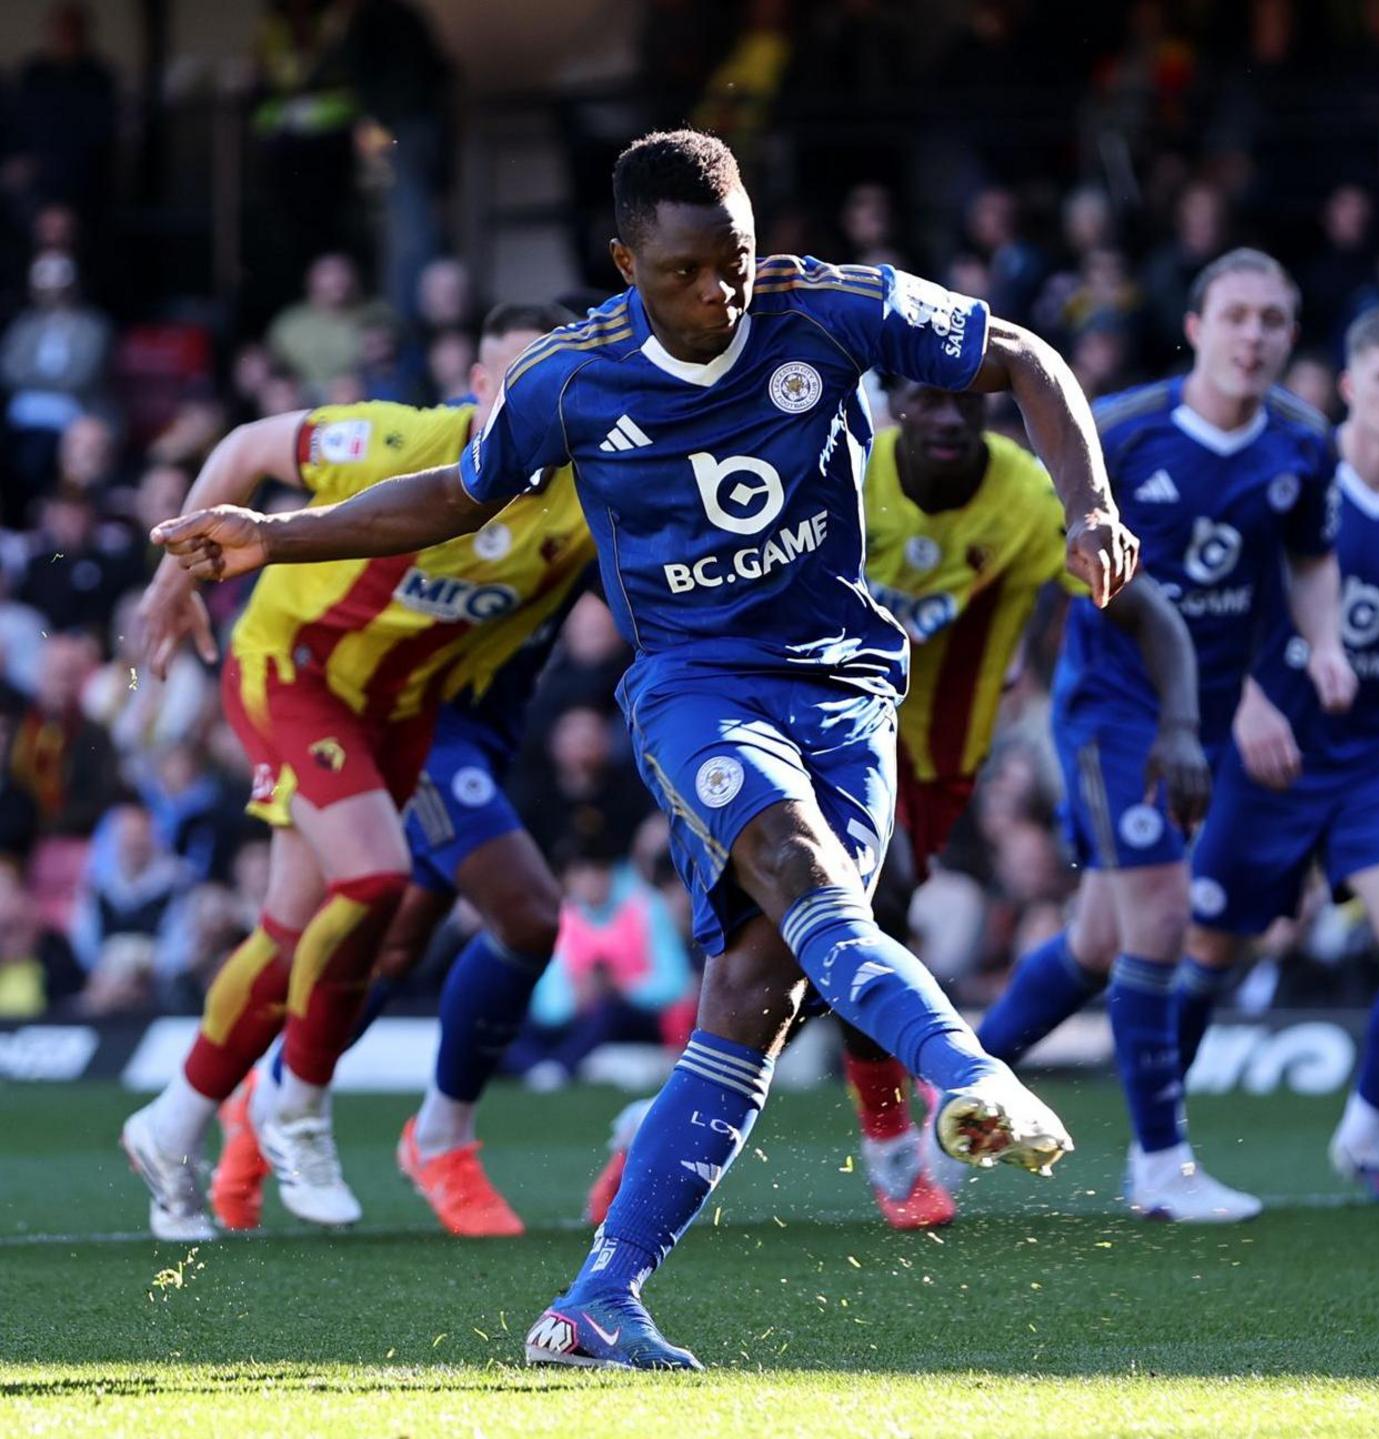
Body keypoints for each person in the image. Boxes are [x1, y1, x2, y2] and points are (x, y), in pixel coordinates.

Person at [151, 130, 1132, 1372]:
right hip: (697, 690)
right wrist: (277, 538)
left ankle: (596, 1301)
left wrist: (1089, 502)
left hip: (846, 690)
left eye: (735, 256)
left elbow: (1028, 358)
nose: (719, 291)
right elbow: (458, 494)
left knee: (756, 993)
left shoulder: (824, 305)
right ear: (626, 262)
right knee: (808, 875)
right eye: (684, 270)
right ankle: (966, 1070)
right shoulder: (572, 379)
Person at [588, 376, 1207, 1232]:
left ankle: (649, 1131)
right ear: (895, 406)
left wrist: (1180, 723)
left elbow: (1149, 613)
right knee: (871, 903)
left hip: (936, 759)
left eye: (970, 404)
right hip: (816, 739)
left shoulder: (1025, 499)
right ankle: (891, 1145)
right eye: (930, 400)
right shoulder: (841, 472)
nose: (950, 418)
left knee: (790, 978)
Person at [120, 302, 593, 1243]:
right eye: (502, 376)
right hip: (292, 668)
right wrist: (174, 577)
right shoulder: (401, 438)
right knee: (377, 876)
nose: (516, 397)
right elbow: (253, 442)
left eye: (544, 380)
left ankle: (171, 1122)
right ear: (476, 383)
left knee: (295, 931)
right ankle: (295, 1102)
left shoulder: (586, 497)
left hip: (406, 712)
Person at [966, 247, 1353, 1225]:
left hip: (1210, 713)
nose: (1253, 336)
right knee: (1163, 911)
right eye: (1237, 316)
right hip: (1113, 705)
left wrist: (1325, 641)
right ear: (1198, 325)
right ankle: (1161, 1167)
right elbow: (1061, 551)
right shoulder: (1127, 432)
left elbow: (1309, 561)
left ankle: (960, 1082)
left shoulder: (1303, 443)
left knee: (1099, 940)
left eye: (1272, 320)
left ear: (1289, 335)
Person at [1185, 304, 1379, 1206]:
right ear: (1351, 387)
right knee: (1205, 959)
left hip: (1371, 762)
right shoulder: (1292, 483)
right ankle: (1158, 1148)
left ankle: (1367, 1137)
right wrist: (1244, 706)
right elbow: (1215, 599)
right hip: (1267, 759)